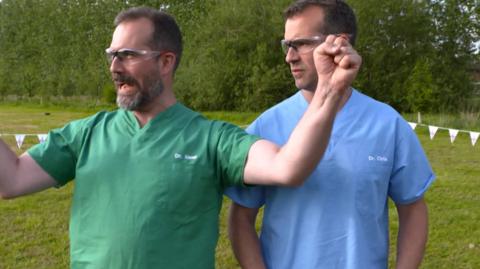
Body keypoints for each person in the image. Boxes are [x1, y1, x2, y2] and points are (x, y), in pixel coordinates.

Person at [0, 6, 361, 269]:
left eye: (127, 55)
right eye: (112, 55)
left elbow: (288, 168)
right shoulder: (86, 134)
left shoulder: (211, 139)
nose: (114, 66)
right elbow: (11, 179)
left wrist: (329, 89)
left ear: (166, 61)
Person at [225, 1, 435, 269]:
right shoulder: (266, 126)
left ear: (340, 43)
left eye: (300, 43)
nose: (289, 56)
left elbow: (413, 207)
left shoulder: (387, 124)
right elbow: (241, 216)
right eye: (286, 45)